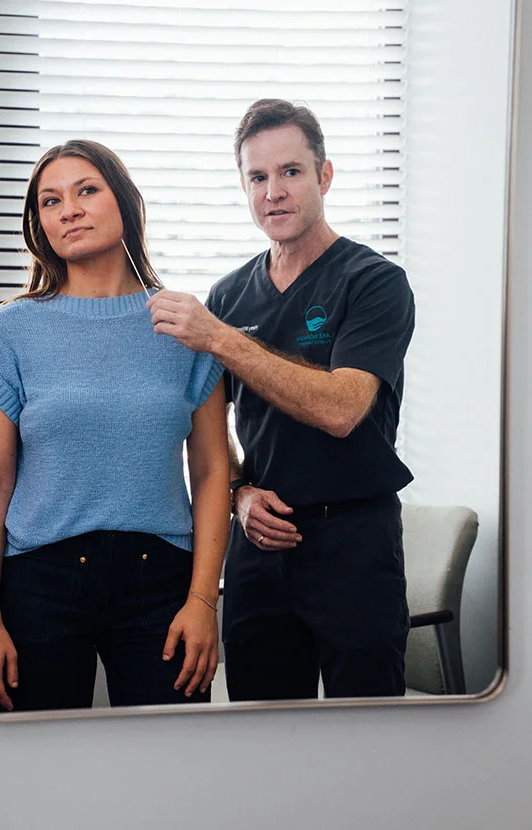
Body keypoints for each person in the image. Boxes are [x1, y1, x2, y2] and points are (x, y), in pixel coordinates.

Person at [147, 99, 415, 700]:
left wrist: (217, 337)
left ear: (324, 175)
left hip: (352, 542)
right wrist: (239, 494)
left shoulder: (373, 282)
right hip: (259, 547)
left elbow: (342, 409)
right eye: (258, 177)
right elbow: (212, 441)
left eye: (291, 171)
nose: (274, 192)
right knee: (260, 733)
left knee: (368, 733)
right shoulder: (230, 293)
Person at [0, 140, 230, 712]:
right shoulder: (11, 332)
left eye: (87, 190)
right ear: (38, 224)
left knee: (171, 763)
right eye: (50, 200)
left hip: (161, 583)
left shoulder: (186, 326)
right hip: (40, 581)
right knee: (43, 771)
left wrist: (203, 601)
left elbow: (213, 472)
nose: (69, 209)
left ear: (126, 202)